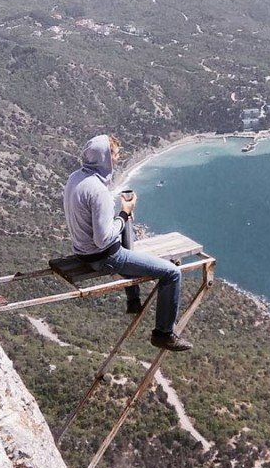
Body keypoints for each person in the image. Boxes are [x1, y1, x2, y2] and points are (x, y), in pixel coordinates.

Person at [63, 133, 193, 352]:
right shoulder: (98, 191)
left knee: (124, 237)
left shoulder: (75, 178)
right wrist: (124, 214)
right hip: (105, 257)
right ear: (105, 158)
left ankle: (133, 300)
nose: (118, 158)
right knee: (172, 274)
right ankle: (163, 333)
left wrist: (120, 219)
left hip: (81, 251)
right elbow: (103, 239)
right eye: (114, 154)